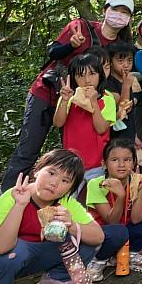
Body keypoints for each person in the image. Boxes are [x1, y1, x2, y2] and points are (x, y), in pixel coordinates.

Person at [0, 0, 134, 195]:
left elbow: (114, 81)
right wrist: (71, 45)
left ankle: (66, 201)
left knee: (72, 152)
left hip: (84, 104)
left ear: (129, 19)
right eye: (115, 10)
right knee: (28, 149)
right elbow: (54, 53)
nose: (119, 15)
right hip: (48, 94)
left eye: (125, 13)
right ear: (105, 10)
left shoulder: (118, 47)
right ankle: (7, 197)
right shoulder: (82, 27)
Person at [0, 149, 104, 284]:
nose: (54, 183)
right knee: (14, 251)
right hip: (10, 255)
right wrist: (20, 205)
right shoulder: (13, 196)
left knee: (84, 240)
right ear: (38, 170)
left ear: (70, 189)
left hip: (41, 252)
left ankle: (56, 279)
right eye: (51, 173)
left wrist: (72, 225)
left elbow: (98, 237)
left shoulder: (66, 203)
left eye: (65, 180)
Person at [84, 139, 142, 279]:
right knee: (118, 231)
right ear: (104, 164)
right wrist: (120, 196)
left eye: (127, 159)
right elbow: (111, 221)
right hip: (101, 235)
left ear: (134, 163)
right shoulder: (96, 184)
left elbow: (137, 220)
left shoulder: (136, 182)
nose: (121, 165)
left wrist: (137, 191)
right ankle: (98, 260)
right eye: (114, 160)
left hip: (123, 232)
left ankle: (128, 253)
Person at [52, 53, 116, 192]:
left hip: (97, 163)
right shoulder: (69, 98)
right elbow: (58, 123)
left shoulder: (107, 99)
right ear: (74, 78)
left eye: (92, 74)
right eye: (81, 76)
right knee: (68, 199)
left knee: (96, 200)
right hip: (72, 162)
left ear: (100, 75)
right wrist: (63, 100)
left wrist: (93, 102)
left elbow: (101, 129)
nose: (87, 80)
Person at [106, 42, 142, 149]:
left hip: (129, 136)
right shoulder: (108, 84)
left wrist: (135, 136)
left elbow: (131, 114)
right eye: (121, 61)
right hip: (116, 139)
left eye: (130, 60)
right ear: (110, 62)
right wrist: (126, 87)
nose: (126, 65)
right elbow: (122, 110)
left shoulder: (126, 79)